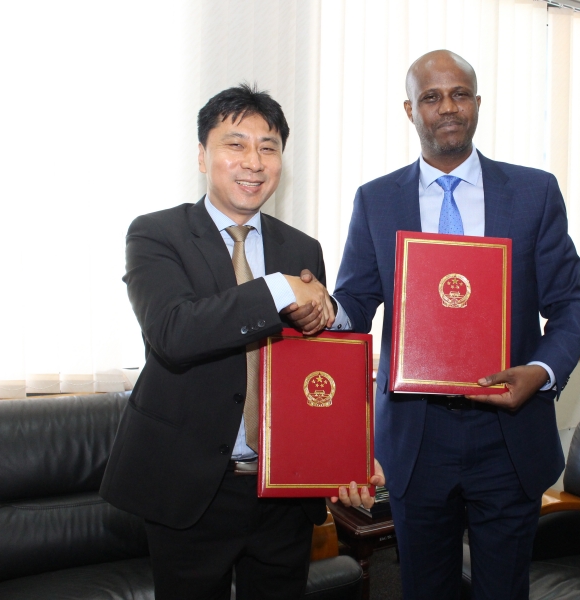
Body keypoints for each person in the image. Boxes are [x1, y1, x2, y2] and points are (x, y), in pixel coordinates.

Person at [100, 84, 382, 600]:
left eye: (268, 147)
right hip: (191, 488)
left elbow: (314, 363)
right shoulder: (156, 234)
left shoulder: (301, 247)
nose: (253, 161)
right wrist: (279, 289)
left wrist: (345, 457)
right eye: (236, 144)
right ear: (203, 156)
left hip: (282, 491)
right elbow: (174, 333)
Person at [329, 50, 580, 599]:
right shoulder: (376, 201)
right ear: (410, 109)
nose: (447, 107)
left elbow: (571, 305)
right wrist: (323, 311)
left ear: (477, 103)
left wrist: (541, 370)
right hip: (414, 439)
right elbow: (356, 300)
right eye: (431, 97)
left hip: (508, 434)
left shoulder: (533, 193)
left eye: (460, 94)